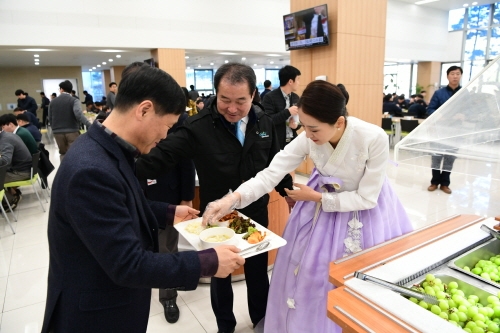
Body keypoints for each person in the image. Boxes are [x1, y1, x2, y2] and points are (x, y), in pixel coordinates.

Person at [41, 63, 244, 333]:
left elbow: (119, 206)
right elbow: (128, 263)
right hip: (95, 317)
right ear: (144, 110)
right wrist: (207, 261)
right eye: (167, 126)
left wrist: (168, 212)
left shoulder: (107, 149)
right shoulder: (91, 170)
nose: (164, 136)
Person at [203, 81, 414, 333]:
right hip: (317, 208)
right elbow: (272, 172)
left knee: (348, 281)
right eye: (304, 126)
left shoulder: (373, 137)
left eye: (314, 129)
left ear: (338, 122)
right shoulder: (310, 136)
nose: (308, 136)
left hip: (359, 213)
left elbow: (368, 198)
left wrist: (317, 199)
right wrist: (231, 199)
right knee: (307, 276)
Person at [135, 62, 293, 333]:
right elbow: (160, 158)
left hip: (256, 211)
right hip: (217, 217)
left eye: (240, 101)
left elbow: (275, 163)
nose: (232, 108)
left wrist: (287, 192)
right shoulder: (197, 127)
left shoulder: (264, 122)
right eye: (225, 100)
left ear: (253, 95)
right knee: (220, 276)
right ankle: (225, 326)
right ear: (215, 94)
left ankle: (261, 320)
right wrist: (121, 166)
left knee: (257, 273)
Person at [140, 110, 195, 324]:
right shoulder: (133, 118)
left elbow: (186, 160)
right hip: (138, 196)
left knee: (167, 250)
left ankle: (168, 297)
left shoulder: (178, 120)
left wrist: (186, 197)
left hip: (168, 197)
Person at [426, 65, 463, 194]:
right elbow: (430, 110)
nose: (455, 76)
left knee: (449, 158)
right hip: (439, 131)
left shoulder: (464, 93)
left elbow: (469, 111)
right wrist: (438, 115)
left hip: (456, 131)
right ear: (448, 76)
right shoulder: (439, 93)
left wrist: (464, 115)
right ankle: (434, 182)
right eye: (452, 73)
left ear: (460, 76)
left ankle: (445, 184)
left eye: (457, 74)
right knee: (436, 157)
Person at [48, 80, 91, 161]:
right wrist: (89, 124)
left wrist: (54, 128)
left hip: (57, 132)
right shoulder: (74, 100)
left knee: (63, 153)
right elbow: (78, 114)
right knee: (75, 153)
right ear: (71, 90)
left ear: (61, 89)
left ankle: (64, 172)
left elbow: (50, 117)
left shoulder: (53, 101)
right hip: (72, 131)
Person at [262, 65, 302, 149]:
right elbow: (268, 120)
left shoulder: (295, 97)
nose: (299, 82)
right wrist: (288, 112)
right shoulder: (269, 97)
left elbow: (300, 120)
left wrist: (296, 125)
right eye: (298, 79)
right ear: (290, 81)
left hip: (293, 141)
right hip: (276, 143)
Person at [0, 131, 32, 210]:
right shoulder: (8, 135)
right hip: (25, 169)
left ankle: (10, 200)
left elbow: (5, 161)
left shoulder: (5, 140)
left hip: (21, 172)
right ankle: (13, 193)